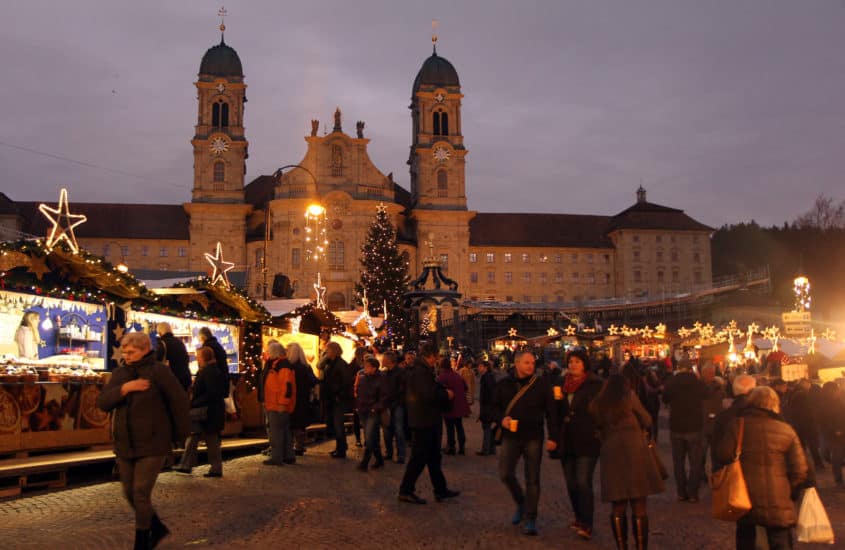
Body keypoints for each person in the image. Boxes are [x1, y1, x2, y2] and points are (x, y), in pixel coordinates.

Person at [96, 332, 190, 550]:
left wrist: (179, 436)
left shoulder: (160, 372)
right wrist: (125, 389)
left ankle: (142, 541)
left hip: (153, 443)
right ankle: (156, 527)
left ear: (145, 349)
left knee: (140, 492)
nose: (127, 356)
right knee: (128, 491)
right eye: (124, 352)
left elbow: (179, 403)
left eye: (131, 352)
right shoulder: (120, 374)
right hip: (125, 444)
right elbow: (103, 402)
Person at [716, 386, 808, 550]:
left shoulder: (738, 425)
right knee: (780, 540)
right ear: (775, 404)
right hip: (778, 497)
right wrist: (789, 490)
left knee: (746, 538)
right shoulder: (786, 430)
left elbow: (723, 455)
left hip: (744, 494)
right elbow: (800, 469)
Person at [590, 374, 664, 550]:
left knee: (618, 505)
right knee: (639, 504)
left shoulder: (598, 403)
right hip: (635, 453)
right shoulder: (629, 397)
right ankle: (640, 546)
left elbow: (595, 427)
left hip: (611, 456)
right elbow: (647, 419)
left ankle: (622, 547)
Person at [493, 350, 560, 536]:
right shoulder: (504, 384)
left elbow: (551, 412)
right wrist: (501, 419)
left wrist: (553, 437)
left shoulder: (541, 385)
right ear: (517, 363)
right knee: (506, 473)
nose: (531, 366)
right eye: (527, 363)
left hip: (533, 436)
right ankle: (521, 502)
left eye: (532, 363)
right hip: (511, 437)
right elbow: (492, 407)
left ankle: (531, 518)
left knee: (532, 478)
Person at [398, 343, 460, 505]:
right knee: (419, 458)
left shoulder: (421, 370)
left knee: (433, 457)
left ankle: (440, 489)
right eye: (436, 357)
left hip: (427, 419)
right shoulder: (420, 372)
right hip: (423, 420)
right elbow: (428, 394)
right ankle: (406, 490)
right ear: (430, 356)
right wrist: (445, 394)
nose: (437, 360)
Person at [556, 348, 603, 540]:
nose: (573, 365)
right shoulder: (561, 384)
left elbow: (601, 410)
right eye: (570, 361)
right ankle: (578, 516)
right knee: (571, 483)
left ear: (585, 364)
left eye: (577, 361)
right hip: (566, 440)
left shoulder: (595, 384)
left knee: (583, 482)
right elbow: (556, 411)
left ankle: (587, 523)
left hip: (587, 440)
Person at [175, 347, 226, 477]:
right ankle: (187, 464)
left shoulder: (209, 371)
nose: (196, 358)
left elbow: (211, 393)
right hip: (208, 411)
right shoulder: (211, 370)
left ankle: (214, 468)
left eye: (198, 356)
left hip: (207, 411)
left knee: (208, 438)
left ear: (204, 357)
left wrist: (194, 403)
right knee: (195, 436)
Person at [662, 360, 707, 503]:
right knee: (695, 462)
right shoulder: (697, 382)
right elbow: (706, 394)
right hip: (694, 426)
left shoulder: (671, 382)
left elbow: (665, 398)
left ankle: (681, 492)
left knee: (678, 462)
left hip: (676, 425)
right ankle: (693, 492)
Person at [711, 374, 756, 472]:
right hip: (755, 470)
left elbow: (716, 451)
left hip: (731, 472)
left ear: (735, 391)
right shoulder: (760, 414)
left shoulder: (723, 417)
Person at [262, 342, 296, 466]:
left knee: (276, 432)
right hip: (276, 404)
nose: (267, 353)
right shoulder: (279, 364)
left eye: (268, 351)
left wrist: (283, 403)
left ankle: (277, 457)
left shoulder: (282, 366)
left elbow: (286, 387)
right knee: (285, 431)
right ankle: (288, 455)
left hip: (277, 405)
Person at [320, 341, 353, 458]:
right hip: (332, 398)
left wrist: (339, 395)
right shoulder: (331, 363)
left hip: (338, 398)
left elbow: (346, 382)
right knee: (335, 424)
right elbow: (319, 366)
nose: (325, 352)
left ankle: (341, 449)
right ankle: (339, 447)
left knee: (338, 424)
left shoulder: (340, 364)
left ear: (333, 351)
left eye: (327, 350)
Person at [286, 342, 317, 456]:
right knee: (300, 424)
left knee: (292, 423)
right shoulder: (306, 367)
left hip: (293, 398)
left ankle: (292, 447)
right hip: (303, 398)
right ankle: (299, 446)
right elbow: (313, 381)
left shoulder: (290, 366)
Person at [356, 355, 386, 471]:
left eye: (367, 366)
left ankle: (365, 461)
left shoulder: (381, 379)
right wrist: (358, 406)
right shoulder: (363, 378)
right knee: (371, 437)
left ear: (374, 368)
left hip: (373, 412)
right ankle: (379, 459)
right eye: (365, 366)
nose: (365, 368)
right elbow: (358, 392)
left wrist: (376, 407)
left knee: (369, 437)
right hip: (363, 411)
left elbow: (384, 396)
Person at [438, 355, 471, 455]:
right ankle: (462, 448)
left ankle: (451, 447)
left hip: (449, 406)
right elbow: (465, 387)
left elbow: (439, 392)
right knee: (459, 426)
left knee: (450, 428)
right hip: (460, 405)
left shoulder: (442, 377)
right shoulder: (457, 375)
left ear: (442, 367)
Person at [381, 351, 407, 464]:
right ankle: (389, 452)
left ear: (389, 360)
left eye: (383, 359)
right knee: (387, 430)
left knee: (398, 429)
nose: (382, 360)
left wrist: (391, 399)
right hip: (388, 405)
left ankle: (401, 454)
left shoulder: (400, 373)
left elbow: (401, 390)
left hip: (397, 405)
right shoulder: (385, 373)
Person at [818, 381, 845, 487]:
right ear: (831, 391)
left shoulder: (840, 401)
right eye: (836, 389)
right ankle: (839, 480)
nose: (838, 391)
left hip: (842, 432)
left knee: (837, 458)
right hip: (833, 435)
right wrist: (835, 430)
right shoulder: (823, 405)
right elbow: (823, 421)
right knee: (836, 458)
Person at [700, 364, 725, 476]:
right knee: (712, 453)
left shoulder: (699, 387)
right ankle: (715, 474)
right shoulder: (719, 387)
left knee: (704, 453)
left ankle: (703, 474)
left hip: (705, 423)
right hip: (712, 423)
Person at [154, 322, 191, 391]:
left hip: (172, 380)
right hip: (185, 378)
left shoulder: (163, 344)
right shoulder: (180, 342)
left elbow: (157, 362)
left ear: (160, 333)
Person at [199, 327, 230, 394]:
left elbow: (206, 366)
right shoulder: (216, 344)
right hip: (222, 380)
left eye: (200, 338)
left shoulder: (208, 347)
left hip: (215, 382)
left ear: (203, 337)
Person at [477, 360, 497, 456]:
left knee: (486, 428)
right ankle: (491, 449)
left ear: (485, 367)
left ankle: (486, 450)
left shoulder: (486, 377)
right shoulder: (490, 376)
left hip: (487, 407)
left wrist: (486, 405)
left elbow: (489, 393)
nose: (478, 368)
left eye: (480, 366)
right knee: (489, 428)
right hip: (489, 406)